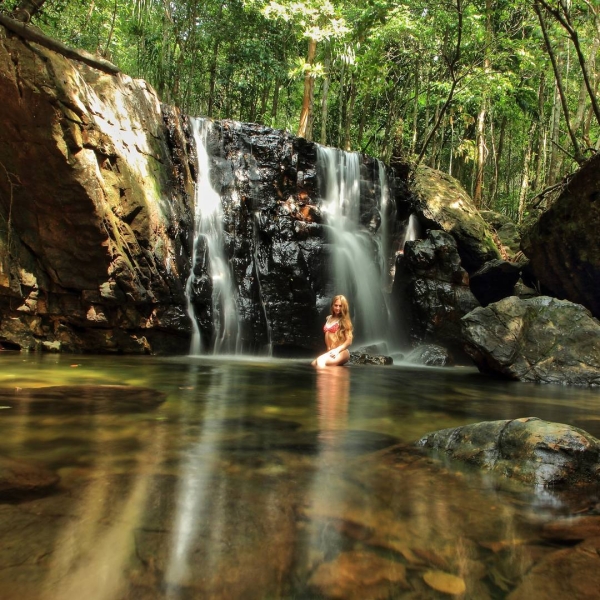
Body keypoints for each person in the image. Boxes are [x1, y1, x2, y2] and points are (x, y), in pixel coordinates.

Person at [311, 295, 353, 367]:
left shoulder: (344, 321)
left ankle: (323, 377)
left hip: (341, 352)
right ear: (332, 305)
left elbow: (349, 341)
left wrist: (337, 350)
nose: (337, 308)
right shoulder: (329, 318)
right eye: (336, 305)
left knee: (320, 361)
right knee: (313, 364)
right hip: (330, 352)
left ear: (344, 307)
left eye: (340, 306)